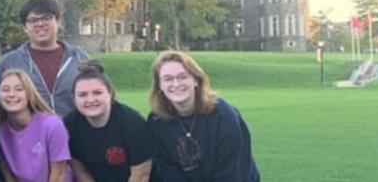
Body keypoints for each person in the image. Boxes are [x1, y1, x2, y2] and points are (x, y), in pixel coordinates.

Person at [147, 51, 259, 181]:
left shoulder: (225, 117)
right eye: (168, 79)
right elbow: (169, 172)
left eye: (183, 77)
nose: (176, 84)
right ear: (159, 85)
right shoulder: (157, 121)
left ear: (196, 80)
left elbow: (231, 172)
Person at [63, 60, 154, 182]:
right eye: (83, 94)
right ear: (74, 98)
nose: (90, 99)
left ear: (110, 93)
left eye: (97, 92)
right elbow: (80, 170)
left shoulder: (133, 123)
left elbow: (141, 176)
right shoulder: (70, 125)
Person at [0, 0, 90, 117]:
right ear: (25, 28)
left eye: (47, 18)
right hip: (29, 134)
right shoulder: (10, 63)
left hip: (76, 133)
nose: (40, 24)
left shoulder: (80, 58)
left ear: (58, 22)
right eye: (32, 20)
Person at [0, 69, 71, 182]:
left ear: (29, 94)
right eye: (5, 90)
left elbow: (59, 174)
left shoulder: (52, 125)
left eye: (19, 89)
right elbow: (6, 172)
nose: (11, 94)